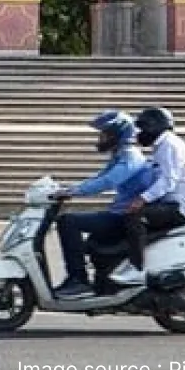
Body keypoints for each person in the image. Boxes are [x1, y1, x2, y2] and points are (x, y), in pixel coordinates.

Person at [51, 109, 152, 299]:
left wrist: (74, 192)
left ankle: (78, 280)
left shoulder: (130, 157)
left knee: (68, 221)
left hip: (123, 217)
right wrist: (69, 189)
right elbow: (100, 177)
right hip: (119, 213)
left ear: (117, 134)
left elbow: (108, 182)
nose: (101, 138)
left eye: (104, 134)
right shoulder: (121, 155)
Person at [120, 105, 185, 282]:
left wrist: (142, 199)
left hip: (180, 208)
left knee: (135, 218)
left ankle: (137, 269)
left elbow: (168, 181)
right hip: (169, 203)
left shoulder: (169, 146)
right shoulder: (162, 146)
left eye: (142, 128)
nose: (139, 133)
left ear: (153, 127)